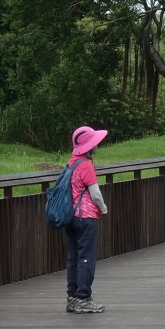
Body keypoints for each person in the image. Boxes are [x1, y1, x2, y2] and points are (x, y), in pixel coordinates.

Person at [65, 125, 109, 313]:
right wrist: (103, 208)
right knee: (86, 258)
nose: (96, 147)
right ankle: (84, 298)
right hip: (86, 217)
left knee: (73, 257)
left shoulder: (71, 163)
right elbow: (95, 194)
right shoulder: (86, 166)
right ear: (89, 147)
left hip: (70, 217)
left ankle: (72, 298)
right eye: (94, 144)